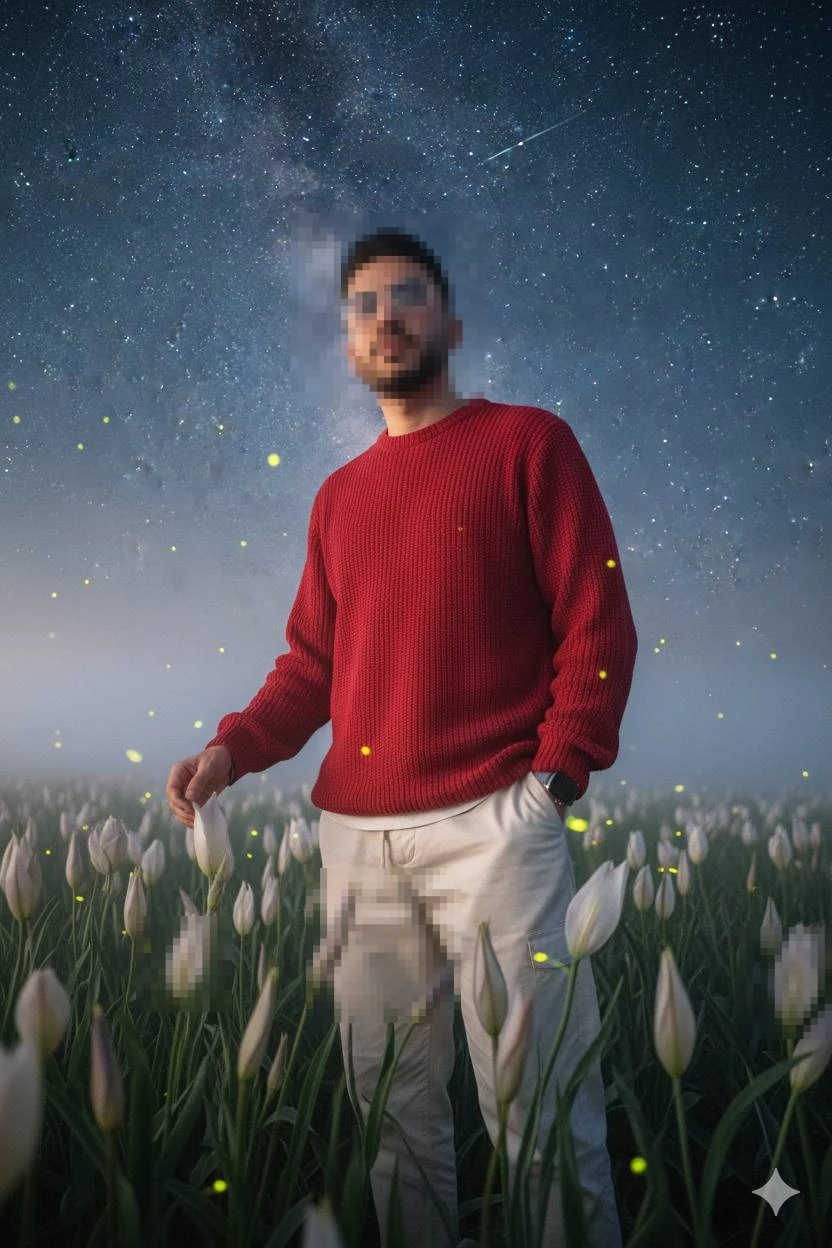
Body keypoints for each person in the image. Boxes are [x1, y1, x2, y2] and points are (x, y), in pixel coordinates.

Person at [166, 226, 638, 1247]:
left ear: (450, 324)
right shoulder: (338, 498)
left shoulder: (528, 444)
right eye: (364, 306)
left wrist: (552, 781)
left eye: (408, 296)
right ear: (348, 343)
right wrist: (233, 748)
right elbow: (312, 668)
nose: (387, 318)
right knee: (395, 1125)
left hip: (497, 827)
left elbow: (594, 623)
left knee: (545, 1114)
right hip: (356, 845)